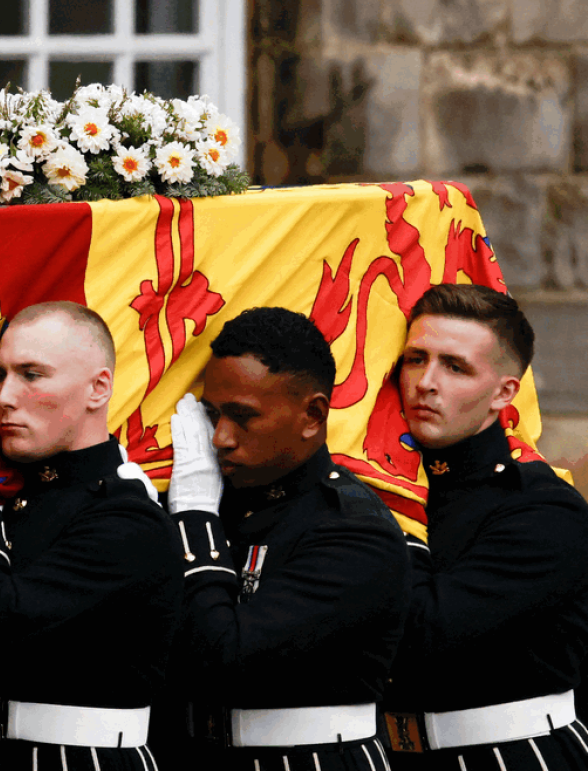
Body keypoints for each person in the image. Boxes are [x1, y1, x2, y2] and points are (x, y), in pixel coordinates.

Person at [150, 307, 408, 769]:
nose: (220, 439)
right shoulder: (225, 504)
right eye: (212, 415)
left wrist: (192, 517)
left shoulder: (354, 531)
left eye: (243, 417)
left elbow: (222, 660)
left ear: (313, 415)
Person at [0, 301, 182, 771]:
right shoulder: (18, 496)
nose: (4, 396)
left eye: (32, 374)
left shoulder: (127, 517)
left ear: (98, 388)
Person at [382, 284, 588, 769]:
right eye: (415, 359)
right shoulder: (392, 485)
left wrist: (382, 508)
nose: (425, 382)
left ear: (504, 392)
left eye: (455, 367)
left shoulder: (543, 509)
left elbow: (424, 634)